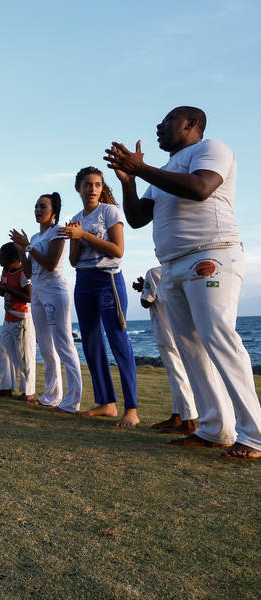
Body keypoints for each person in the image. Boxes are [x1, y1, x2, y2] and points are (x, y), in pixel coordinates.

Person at [106, 105, 261, 458]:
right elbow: (136, 218)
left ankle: (254, 434)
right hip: (172, 264)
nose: (159, 126)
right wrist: (129, 182)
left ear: (192, 124)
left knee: (217, 335)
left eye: (168, 120)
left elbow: (202, 188)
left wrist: (140, 168)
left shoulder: (212, 149)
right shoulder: (162, 172)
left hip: (211, 254)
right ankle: (214, 428)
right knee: (190, 347)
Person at [58, 167, 139, 428]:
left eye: (97, 184)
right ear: (78, 188)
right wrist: (75, 238)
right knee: (91, 343)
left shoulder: (110, 212)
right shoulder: (75, 218)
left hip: (108, 279)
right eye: (87, 185)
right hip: (83, 281)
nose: (92, 189)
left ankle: (132, 409)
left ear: (102, 187)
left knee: (118, 340)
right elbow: (72, 261)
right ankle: (106, 402)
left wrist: (85, 236)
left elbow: (118, 251)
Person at [11, 194, 82, 413]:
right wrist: (22, 250)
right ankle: (51, 395)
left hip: (55, 291)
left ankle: (72, 401)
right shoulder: (34, 236)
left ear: (54, 211)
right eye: (36, 206)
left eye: (43, 206)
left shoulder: (58, 232)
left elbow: (51, 264)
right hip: (39, 293)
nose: (38, 209)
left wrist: (29, 247)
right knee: (46, 347)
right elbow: (30, 272)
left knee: (64, 344)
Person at [133, 267, 199, 434]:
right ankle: (177, 415)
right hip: (185, 330)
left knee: (177, 375)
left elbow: (146, 301)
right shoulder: (184, 269)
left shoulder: (154, 273)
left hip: (166, 331)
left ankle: (189, 420)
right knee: (178, 375)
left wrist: (145, 289)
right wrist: (146, 287)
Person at [0, 243, 36, 401]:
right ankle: (6, 388)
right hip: (8, 318)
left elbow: (28, 297)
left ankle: (28, 392)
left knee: (24, 356)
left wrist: (7, 289)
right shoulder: (5, 271)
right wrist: (0, 289)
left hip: (22, 319)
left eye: (2, 259)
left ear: (12, 259)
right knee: (4, 353)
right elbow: (5, 292)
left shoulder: (23, 273)